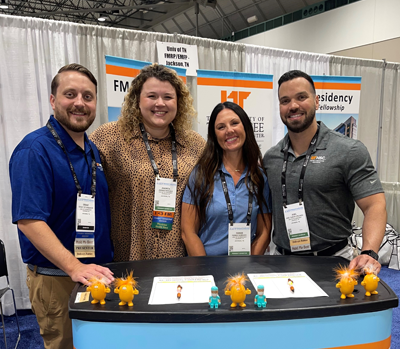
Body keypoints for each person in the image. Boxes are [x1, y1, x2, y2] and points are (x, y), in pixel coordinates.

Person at [9, 64, 114, 349]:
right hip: (58, 279)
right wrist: (73, 266)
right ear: (53, 100)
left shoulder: (91, 150)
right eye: (71, 94)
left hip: (96, 276)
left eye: (88, 96)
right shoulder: (34, 150)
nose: (80, 103)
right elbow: (30, 221)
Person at [263, 70, 386, 273]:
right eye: (285, 100)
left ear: (317, 101)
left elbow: (374, 204)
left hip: (334, 262)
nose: (293, 106)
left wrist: (369, 252)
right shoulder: (271, 158)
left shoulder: (349, 150)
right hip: (282, 262)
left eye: (301, 97)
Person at [90, 63, 205, 261]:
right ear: (137, 100)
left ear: (179, 102)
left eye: (168, 97)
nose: (160, 103)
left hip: (179, 257)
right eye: (152, 96)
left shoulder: (195, 144)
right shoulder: (109, 137)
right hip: (127, 256)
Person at [181, 102, 272, 256]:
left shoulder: (259, 177)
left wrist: (249, 266)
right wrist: (206, 271)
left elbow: (264, 232)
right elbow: (188, 232)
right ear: (214, 135)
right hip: (208, 269)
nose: (229, 131)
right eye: (221, 127)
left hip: (244, 271)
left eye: (234, 123)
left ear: (246, 127)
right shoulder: (201, 174)